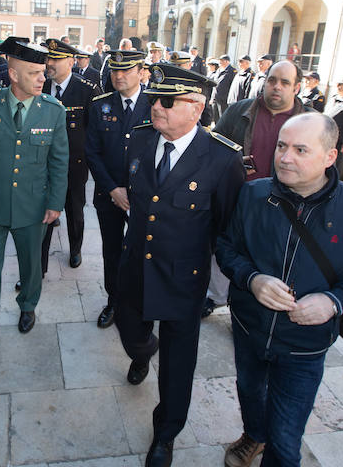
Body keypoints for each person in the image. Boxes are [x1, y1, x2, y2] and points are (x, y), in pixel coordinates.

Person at [218, 113, 343, 467]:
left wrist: (334, 302)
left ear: (330, 157)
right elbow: (226, 248)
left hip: (304, 348)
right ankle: (253, 435)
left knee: (285, 441)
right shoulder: (252, 194)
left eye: (300, 150)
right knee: (250, 393)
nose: (284, 157)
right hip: (250, 329)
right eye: (282, 146)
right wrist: (252, 279)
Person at [117, 63, 245, 467]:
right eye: (155, 97)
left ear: (196, 107)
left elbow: (227, 228)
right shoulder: (139, 140)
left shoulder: (222, 160)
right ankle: (142, 350)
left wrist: (240, 282)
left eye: (167, 101)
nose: (156, 107)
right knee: (129, 329)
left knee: (177, 363)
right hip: (135, 268)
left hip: (183, 281)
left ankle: (166, 434)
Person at [0, 37, 69, 356]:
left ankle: (27, 306)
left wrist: (55, 203)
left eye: (44, 72)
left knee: (30, 266)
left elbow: (59, 161)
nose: (43, 78)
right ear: (13, 74)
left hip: (32, 206)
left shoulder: (53, 111)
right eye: (36, 73)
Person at [85, 49, 151, 329]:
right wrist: (112, 189)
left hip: (145, 197)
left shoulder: (156, 104)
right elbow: (92, 152)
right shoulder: (100, 105)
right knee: (111, 250)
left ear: (141, 72)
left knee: (143, 250)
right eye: (114, 70)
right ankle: (113, 301)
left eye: (126, 70)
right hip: (109, 195)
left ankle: (140, 301)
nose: (119, 76)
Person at [41, 38, 102, 272]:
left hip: (74, 165)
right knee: (43, 216)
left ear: (70, 61)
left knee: (75, 210)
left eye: (55, 59)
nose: (50, 63)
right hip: (43, 166)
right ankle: (40, 265)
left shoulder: (87, 89)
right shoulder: (42, 87)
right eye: (49, 58)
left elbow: (95, 131)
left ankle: (75, 249)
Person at [215, 61, 313, 181]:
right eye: (272, 80)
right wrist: (231, 164)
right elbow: (213, 149)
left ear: (296, 88)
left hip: (287, 197)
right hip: (238, 194)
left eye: (285, 83)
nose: (277, 86)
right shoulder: (237, 111)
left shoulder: (312, 123)